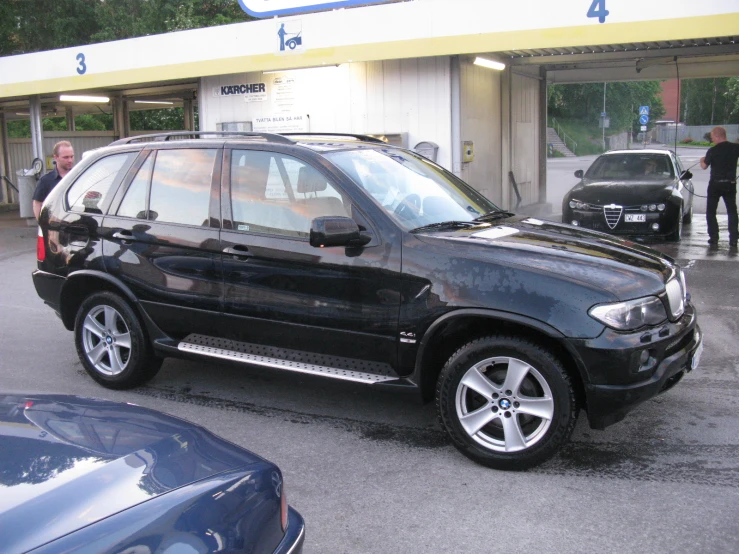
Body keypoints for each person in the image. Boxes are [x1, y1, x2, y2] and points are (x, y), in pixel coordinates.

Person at [700, 126, 739, 248]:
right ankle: (733, 240)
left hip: (715, 185)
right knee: (732, 211)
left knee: (711, 212)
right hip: (730, 183)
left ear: (717, 136)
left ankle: (714, 238)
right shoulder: (735, 148)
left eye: (712, 138)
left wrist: (702, 160)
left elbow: (704, 166)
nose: (712, 140)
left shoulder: (713, 150)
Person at [32, 141, 74, 220]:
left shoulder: (79, 177)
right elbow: (37, 203)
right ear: (56, 157)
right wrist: (42, 226)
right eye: (66, 157)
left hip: (78, 224)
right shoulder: (46, 180)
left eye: (71, 156)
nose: (70, 160)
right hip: (55, 225)